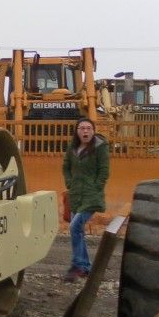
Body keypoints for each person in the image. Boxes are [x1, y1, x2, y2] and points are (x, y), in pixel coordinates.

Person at [61, 117, 109, 281]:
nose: (85, 131)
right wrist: (69, 182)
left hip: (91, 196)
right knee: (77, 231)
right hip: (76, 194)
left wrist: (96, 187)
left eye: (88, 128)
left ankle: (78, 265)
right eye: (82, 128)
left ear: (93, 131)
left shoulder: (100, 148)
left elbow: (104, 171)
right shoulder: (72, 147)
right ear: (77, 131)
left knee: (75, 228)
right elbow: (65, 166)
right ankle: (85, 267)